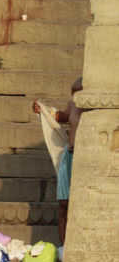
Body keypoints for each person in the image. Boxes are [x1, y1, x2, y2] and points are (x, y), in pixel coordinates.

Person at [33, 77, 83, 244]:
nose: (76, 98)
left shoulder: (92, 109)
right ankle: (62, 246)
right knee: (63, 204)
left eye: (79, 93)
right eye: (74, 94)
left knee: (79, 205)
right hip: (69, 156)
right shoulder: (73, 105)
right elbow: (63, 116)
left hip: (84, 160)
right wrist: (45, 111)